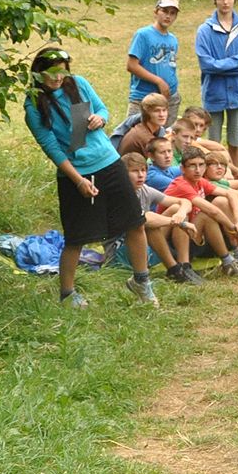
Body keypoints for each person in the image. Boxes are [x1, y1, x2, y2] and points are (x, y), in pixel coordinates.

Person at [24, 47, 159, 307]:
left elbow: (101, 109)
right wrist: (78, 180)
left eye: (63, 72)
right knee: (76, 238)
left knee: (135, 223)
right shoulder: (33, 105)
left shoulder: (79, 84)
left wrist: (100, 118)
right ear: (38, 72)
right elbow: (51, 148)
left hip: (109, 162)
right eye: (52, 73)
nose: (58, 78)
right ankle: (67, 294)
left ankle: (141, 282)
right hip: (76, 174)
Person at [110, 153, 205, 285]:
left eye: (143, 170)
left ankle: (184, 266)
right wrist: (180, 223)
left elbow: (184, 201)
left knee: (176, 209)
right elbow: (143, 218)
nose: (141, 175)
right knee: (149, 226)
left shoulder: (144, 189)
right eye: (135, 171)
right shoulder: (120, 194)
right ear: (124, 174)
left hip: (144, 246)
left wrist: (181, 213)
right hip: (120, 253)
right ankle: (174, 269)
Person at [162, 147, 238, 276]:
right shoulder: (181, 185)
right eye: (192, 166)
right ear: (182, 169)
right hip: (175, 243)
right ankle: (230, 260)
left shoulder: (200, 181)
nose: (198, 170)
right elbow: (212, 211)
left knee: (231, 203)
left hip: (194, 234)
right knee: (208, 213)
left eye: (201, 165)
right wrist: (232, 228)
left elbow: (231, 194)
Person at [195, 0, 238, 170]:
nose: (225, 2)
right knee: (213, 142)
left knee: (235, 141)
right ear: (215, 1)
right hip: (214, 92)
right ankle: (214, 177)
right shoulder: (205, 30)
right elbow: (206, 65)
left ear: (235, 0)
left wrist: (219, 65)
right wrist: (237, 59)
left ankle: (237, 176)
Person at [127, 0, 182, 123]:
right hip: (144, 97)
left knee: (164, 134)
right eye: (164, 11)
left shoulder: (173, 39)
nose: (168, 16)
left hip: (169, 97)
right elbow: (132, 65)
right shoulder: (143, 34)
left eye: (172, 13)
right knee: (137, 132)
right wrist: (159, 81)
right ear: (156, 12)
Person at [116, 92, 169, 157]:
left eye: (164, 110)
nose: (162, 115)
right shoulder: (144, 138)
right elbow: (162, 160)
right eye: (156, 111)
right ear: (146, 113)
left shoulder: (144, 127)